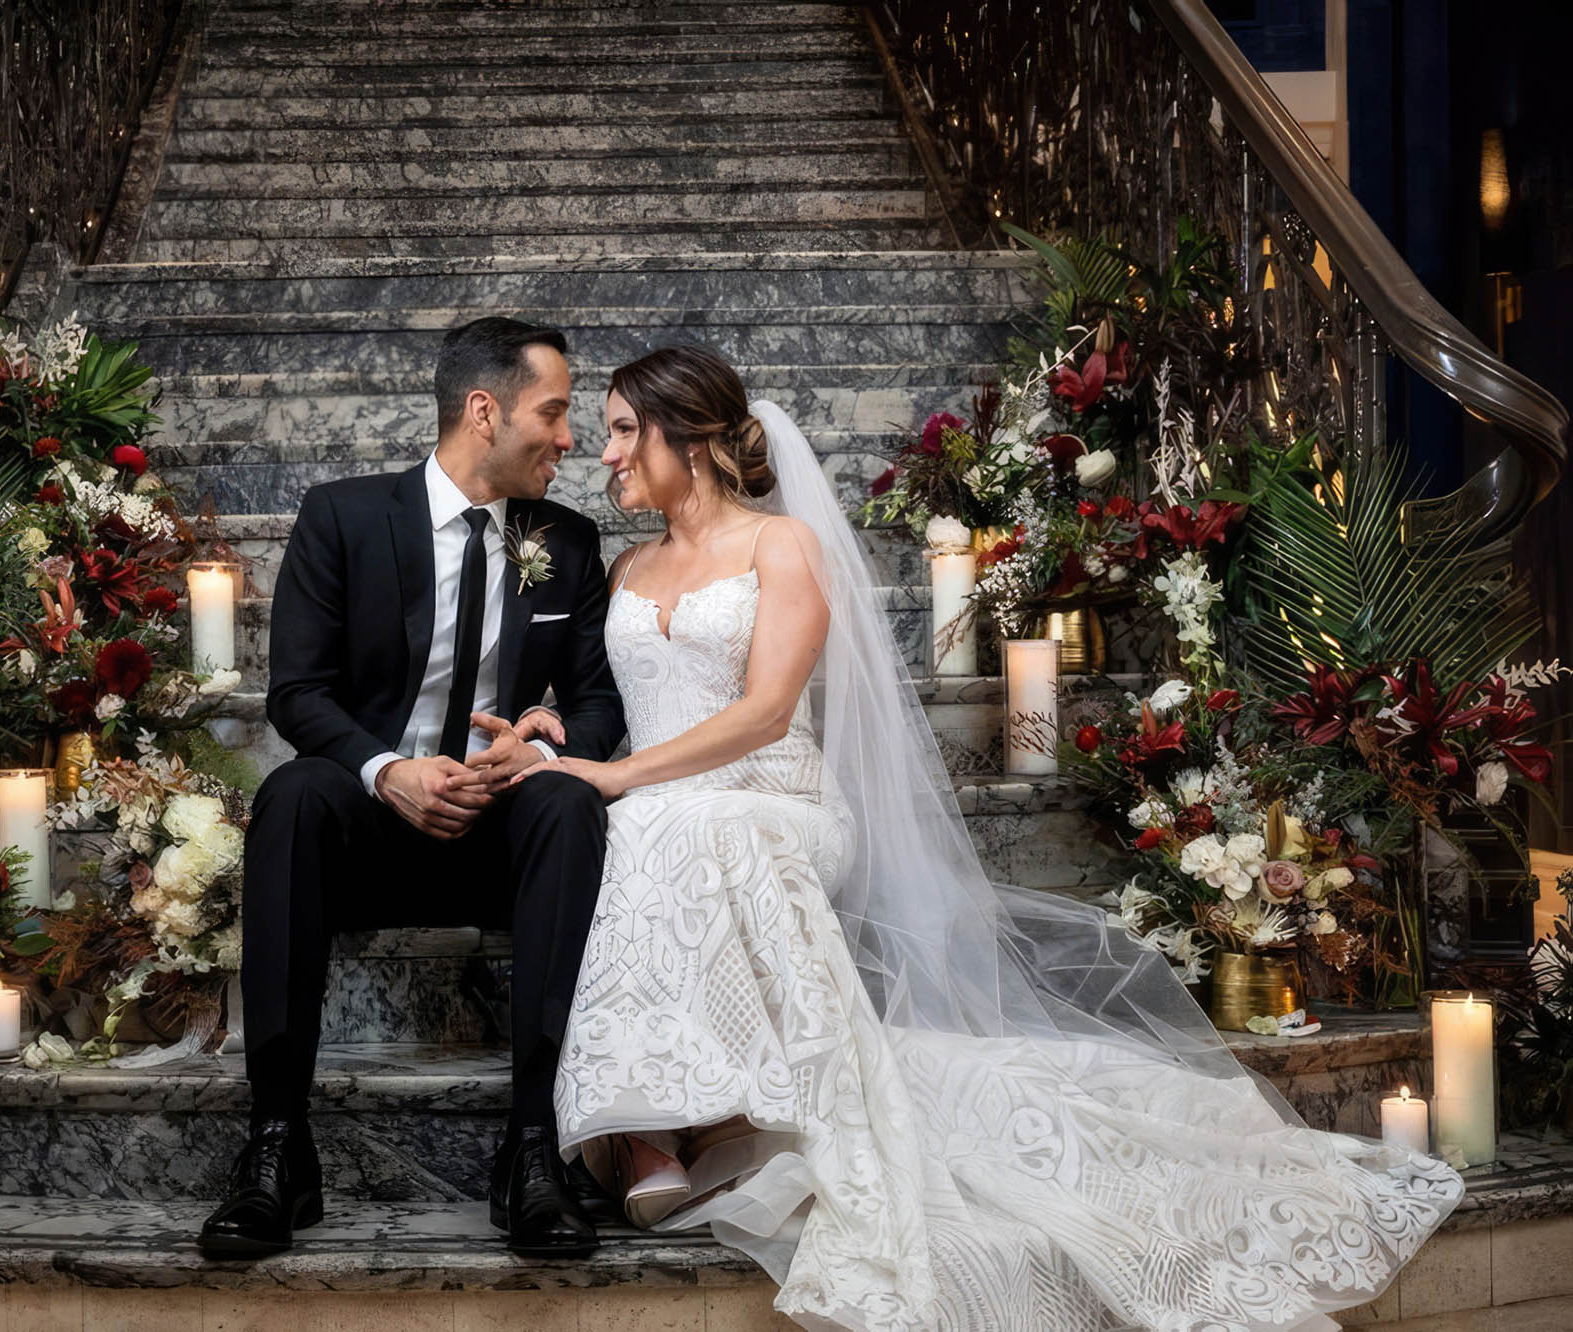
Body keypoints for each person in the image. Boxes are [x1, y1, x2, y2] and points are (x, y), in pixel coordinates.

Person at [513, 344, 1463, 1330]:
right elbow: (603, 701)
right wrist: (554, 729)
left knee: (685, 825)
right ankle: (664, 1120)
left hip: (774, 797)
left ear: (693, 440)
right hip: (668, 798)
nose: (606, 451)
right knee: (640, 827)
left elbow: (761, 714)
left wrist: (619, 774)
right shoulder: (622, 564)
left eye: (625, 430)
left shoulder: (778, 548)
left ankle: (690, 1123)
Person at [199, 317, 625, 1261]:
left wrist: (539, 755)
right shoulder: (343, 517)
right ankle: (277, 1146)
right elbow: (297, 695)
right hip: (373, 831)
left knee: (569, 801)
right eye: (553, 414)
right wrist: (389, 772)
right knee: (295, 796)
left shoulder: (569, 541)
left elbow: (598, 709)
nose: (571, 439)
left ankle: (532, 1150)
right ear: (485, 411)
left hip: (502, 835)